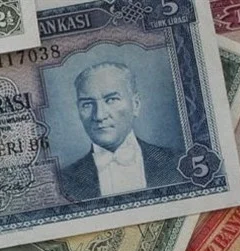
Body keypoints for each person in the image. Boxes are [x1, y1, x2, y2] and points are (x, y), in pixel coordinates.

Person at [60, 62, 180, 200]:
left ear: (135, 105)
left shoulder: (177, 162)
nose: (99, 116)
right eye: (87, 104)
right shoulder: (62, 182)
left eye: (111, 100)